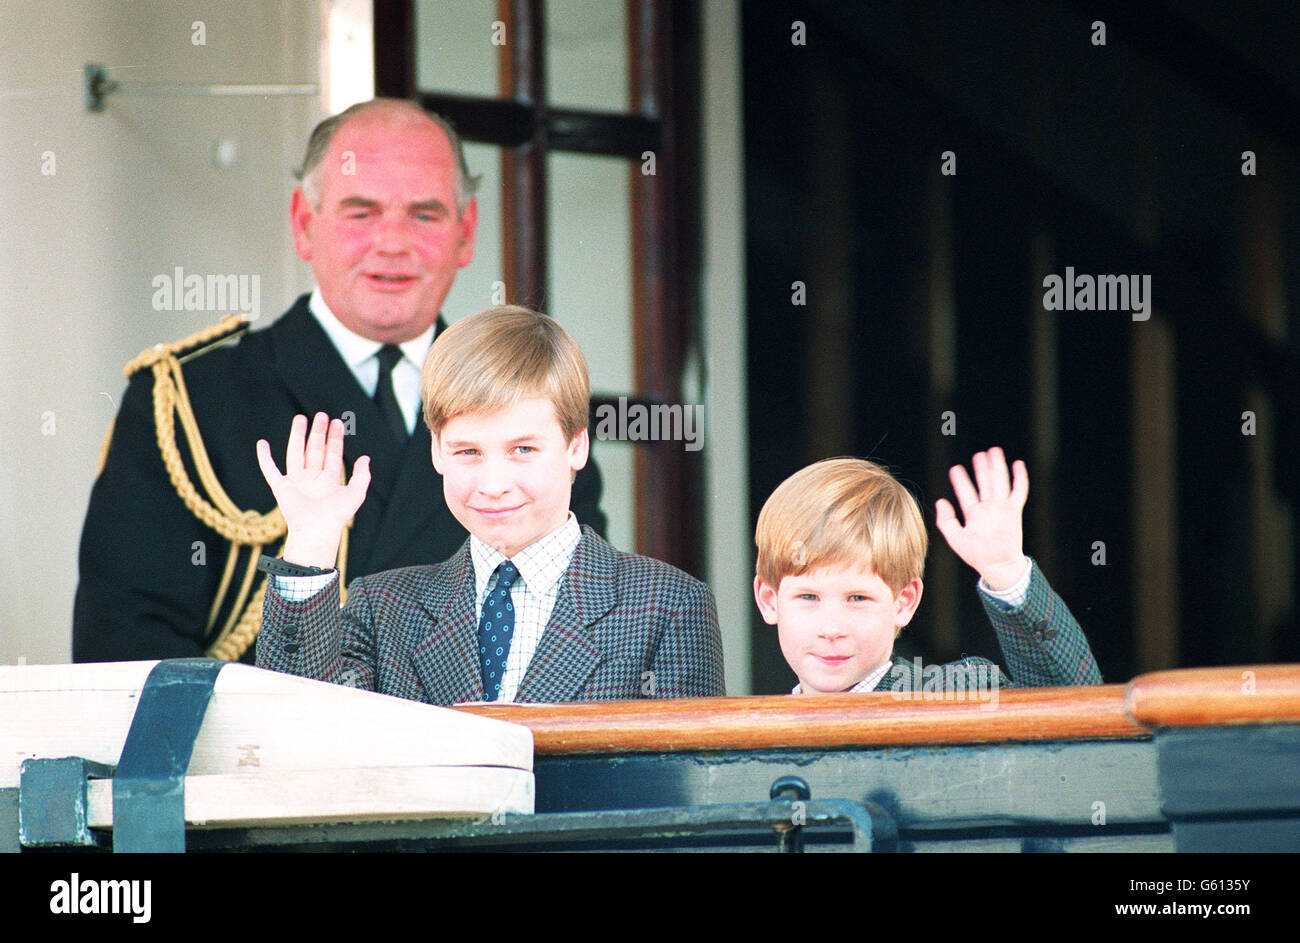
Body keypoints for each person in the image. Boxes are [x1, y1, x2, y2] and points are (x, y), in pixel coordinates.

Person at [73, 99, 605, 664]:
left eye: (424, 215)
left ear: (465, 233)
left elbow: (578, 630)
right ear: (305, 225)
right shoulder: (192, 401)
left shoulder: (533, 404)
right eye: (361, 212)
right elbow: (126, 651)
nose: (393, 243)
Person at [254, 306, 724, 704]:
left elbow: (678, 794)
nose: (493, 484)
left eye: (523, 449)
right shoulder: (383, 606)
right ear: (437, 451)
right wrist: (312, 543)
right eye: (468, 452)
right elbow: (302, 729)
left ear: (577, 446)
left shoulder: (669, 606)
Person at [753, 448, 1101, 695]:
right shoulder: (749, 731)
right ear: (770, 600)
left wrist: (1006, 573)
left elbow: (1081, 710)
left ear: (904, 602)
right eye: (808, 597)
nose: (831, 629)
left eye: (857, 597)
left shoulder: (955, 692)